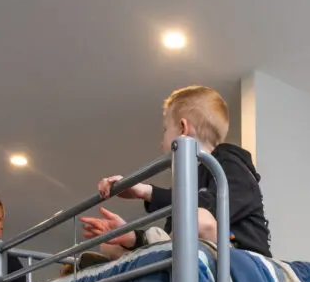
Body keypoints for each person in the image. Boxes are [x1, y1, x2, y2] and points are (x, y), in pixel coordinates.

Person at [79, 86, 272, 260]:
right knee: (111, 245)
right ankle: (133, 257)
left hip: (243, 260)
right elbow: (172, 238)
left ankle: (140, 261)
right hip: (200, 252)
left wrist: (147, 192)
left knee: (197, 219)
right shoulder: (187, 184)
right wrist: (130, 236)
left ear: (183, 128)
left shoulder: (231, 165)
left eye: (165, 130)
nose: (160, 142)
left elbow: (207, 211)